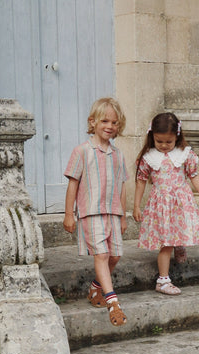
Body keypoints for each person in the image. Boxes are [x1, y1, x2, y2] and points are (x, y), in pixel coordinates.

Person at [63, 97, 128, 326]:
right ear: (93, 122)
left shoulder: (118, 155)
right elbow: (73, 184)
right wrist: (69, 214)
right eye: (104, 121)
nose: (109, 126)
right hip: (91, 213)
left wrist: (123, 215)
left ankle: (95, 288)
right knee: (101, 255)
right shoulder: (82, 151)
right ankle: (113, 303)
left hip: (112, 213)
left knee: (115, 255)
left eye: (114, 122)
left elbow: (121, 186)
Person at [133, 112, 199, 295]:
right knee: (165, 240)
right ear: (152, 136)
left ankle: (179, 244)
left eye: (168, 142)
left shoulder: (184, 154)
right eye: (159, 141)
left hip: (180, 201)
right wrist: (137, 206)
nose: (164, 146)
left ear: (177, 136)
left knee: (178, 227)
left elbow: (194, 175)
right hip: (161, 203)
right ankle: (163, 281)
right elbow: (141, 181)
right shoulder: (149, 157)